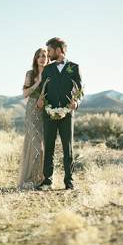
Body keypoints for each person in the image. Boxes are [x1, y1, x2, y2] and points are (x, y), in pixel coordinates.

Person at [36, 37, 83, 190]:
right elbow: (43, 90)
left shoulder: (74, 67)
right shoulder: (48, 69)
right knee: (49, 148)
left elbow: (81, 90)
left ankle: (69, 182)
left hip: (67, 115)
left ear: (58, 50)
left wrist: (76, 102)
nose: (48, 54)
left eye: (49, 51)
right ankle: (47, 181)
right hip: (49, 114)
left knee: (67, 148)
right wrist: (40, 101)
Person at [17, 48, 48, 189]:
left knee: (44, 146)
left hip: (46, 112)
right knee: (35, 145)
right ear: (35, 59)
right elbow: (24, 94)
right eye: (39, 56)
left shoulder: (51, 73)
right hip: (31, 112)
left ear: (48, 58)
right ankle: (30, 179)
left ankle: (41, 179)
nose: (42, 58)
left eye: (45, 56)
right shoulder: (30, 74)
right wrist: (38, 82)